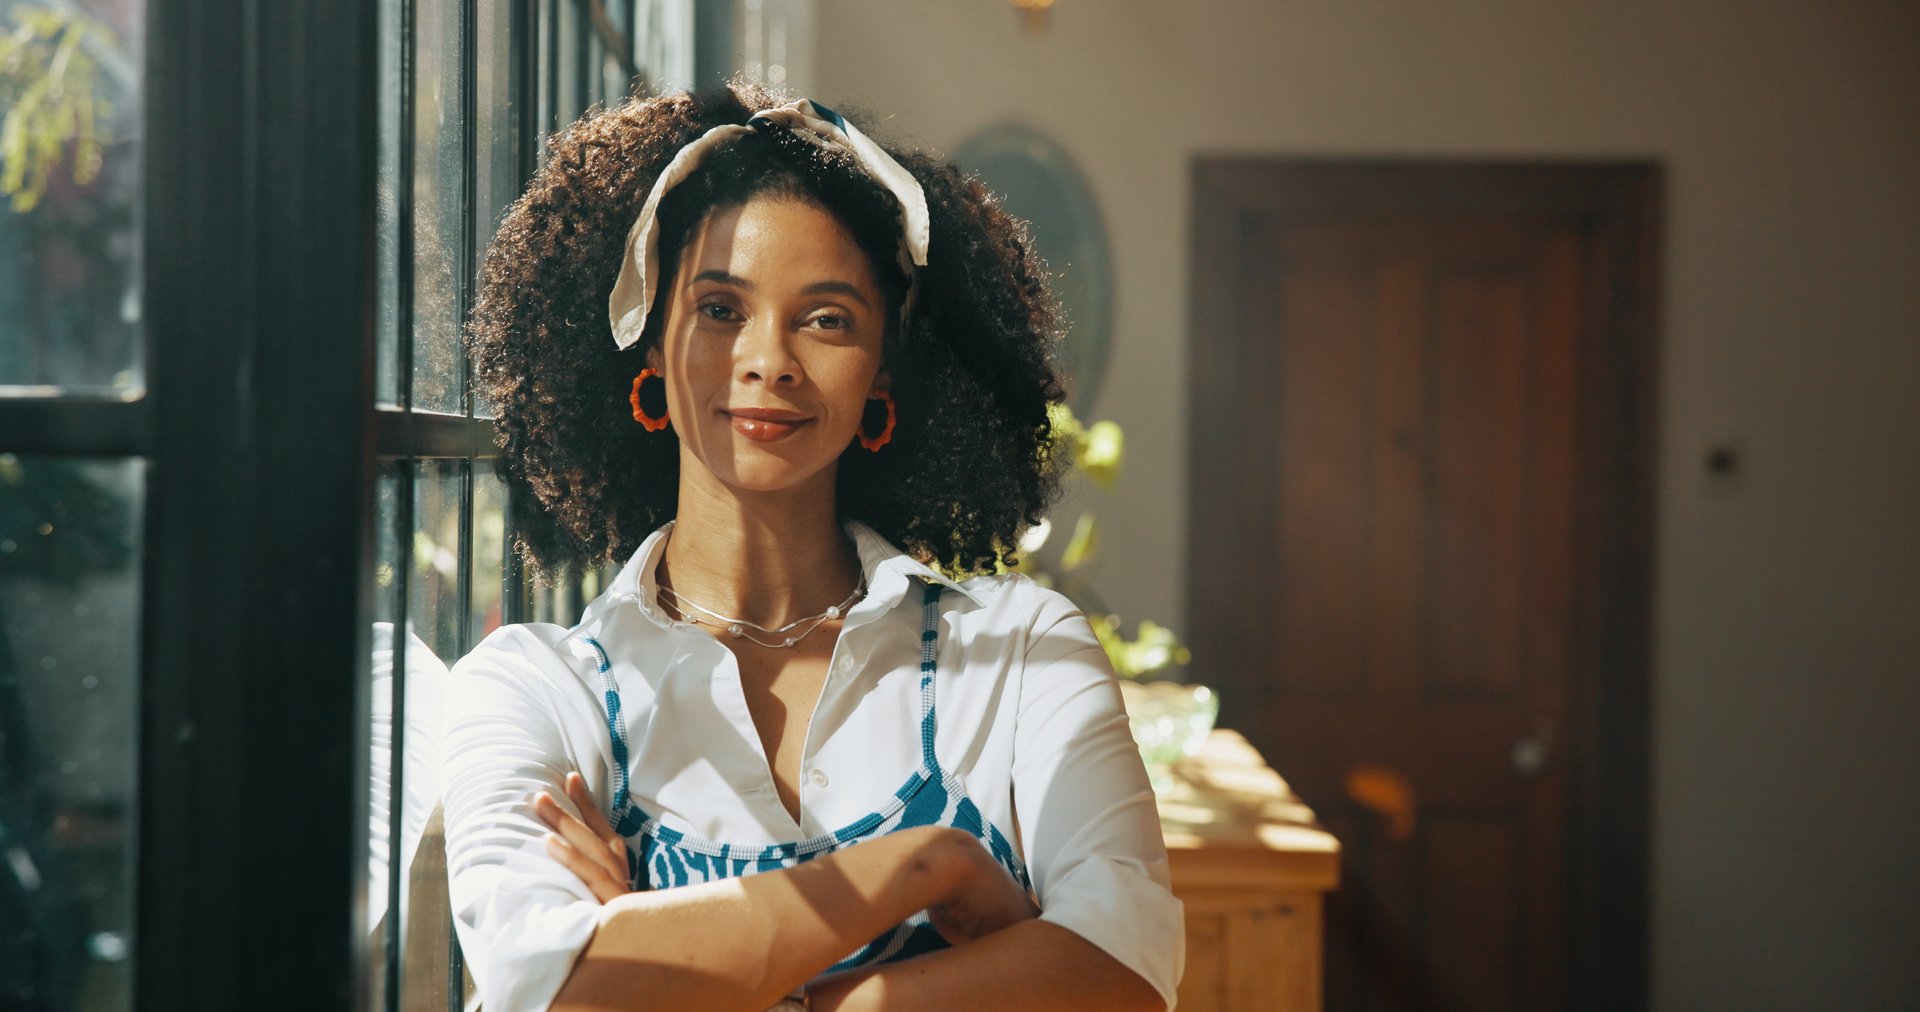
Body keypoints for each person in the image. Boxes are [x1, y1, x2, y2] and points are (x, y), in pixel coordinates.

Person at [446, 83, 1183, 1011]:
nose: (770, 359)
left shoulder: (1026, 652)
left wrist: (699, 974)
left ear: (882, 369)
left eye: (827, 318)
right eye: (720, 307)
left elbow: (1123, 976)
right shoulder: (532, 689)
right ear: (646, 348)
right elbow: (552, 990)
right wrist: (930, 863)